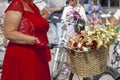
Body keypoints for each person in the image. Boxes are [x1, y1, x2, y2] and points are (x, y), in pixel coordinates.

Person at [1, 0, 51, 80]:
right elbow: (9, 33)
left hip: (38, 54)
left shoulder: (34, 7)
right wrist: (32, 39)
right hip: (23, 54)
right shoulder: (17, 3)